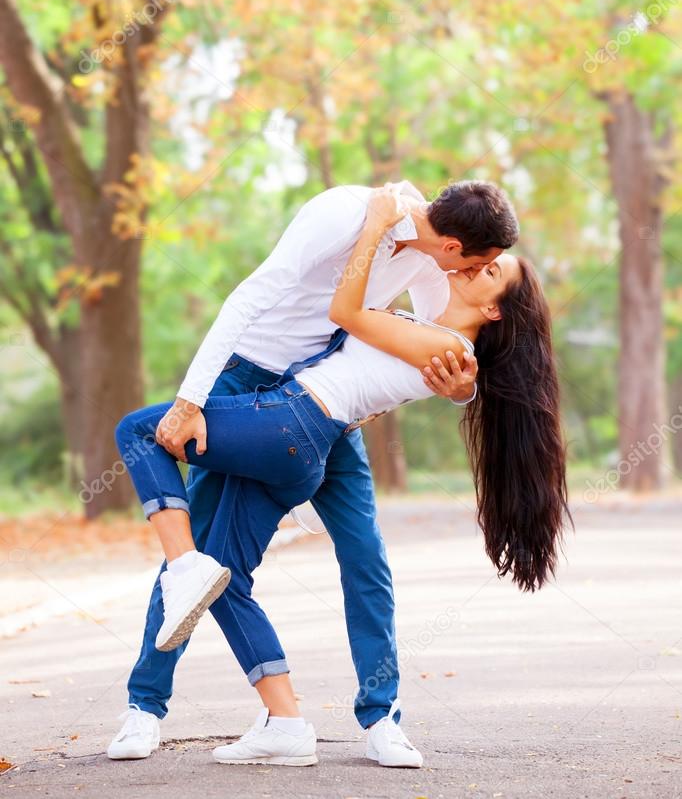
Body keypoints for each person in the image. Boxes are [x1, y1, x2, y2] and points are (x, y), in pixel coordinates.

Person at [112, 186, 570, 768]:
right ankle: (148, 707)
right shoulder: (351, 215)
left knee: (365, 561)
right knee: (205, 559)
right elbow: (273, 300)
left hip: (319, 417)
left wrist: (464, 389)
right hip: (254, 384)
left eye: (488, 270)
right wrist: (190, 396)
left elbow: (440, 347)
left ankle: (382, 718)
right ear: (456, 246)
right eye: (480, 262)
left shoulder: (437, 263)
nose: (476, 270)